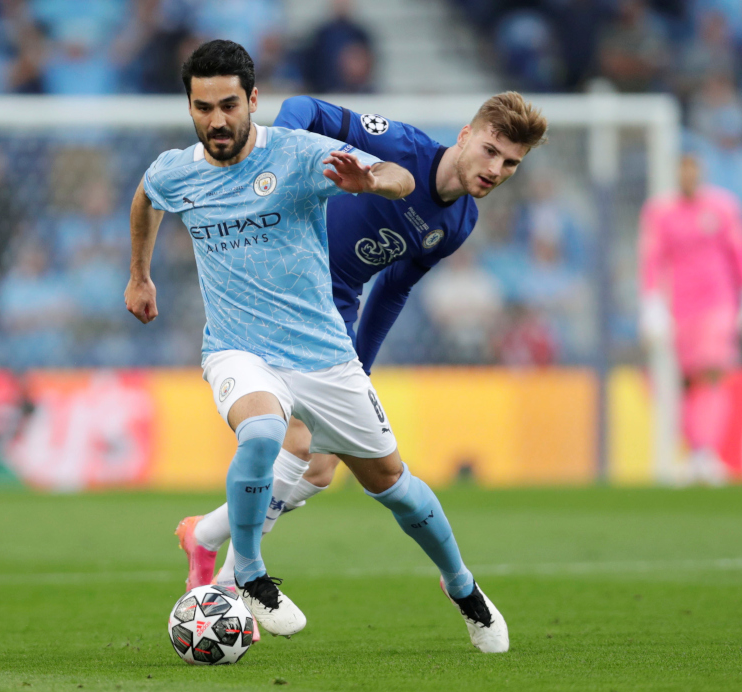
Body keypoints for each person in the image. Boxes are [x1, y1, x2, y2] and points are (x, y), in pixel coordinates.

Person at [127, 39, 508, 652]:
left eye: (229, 105)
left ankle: (462, 587)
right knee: (265, 434)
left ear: (252, 100)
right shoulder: (180, 167)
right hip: (237, 345)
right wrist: (139, 275)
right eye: (204, 108)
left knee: (386, 482)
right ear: (190, 107)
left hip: (323, 338)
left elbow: (398, 182)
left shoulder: (313, 162)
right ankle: (245, 574)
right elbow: (147, 195)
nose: (217, 120)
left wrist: (371, 181)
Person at [180, 90, 547, 629]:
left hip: (332, 320)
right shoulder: (402, 146)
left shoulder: (459, 223)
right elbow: (307, 108)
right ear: (466, 135)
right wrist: (277, 159)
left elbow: (393, 288)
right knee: (298, 447)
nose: (497, 169)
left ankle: (206, 538)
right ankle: (231, 584)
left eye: (511, 163)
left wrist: (360, 366)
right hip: (276, 292)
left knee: (320, 468)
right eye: (491, 150)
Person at [639, 154, 742, 484]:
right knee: (683, 383)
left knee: (712, 373)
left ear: (701, 172)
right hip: (679, 308)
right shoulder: (660, 212)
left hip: (718, 303)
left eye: (693, 170)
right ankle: (697, 451)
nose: (689, 176)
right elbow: (651, 259)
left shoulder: (724, 207)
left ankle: (705, 452)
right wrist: (652, 301)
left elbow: (741, 253)